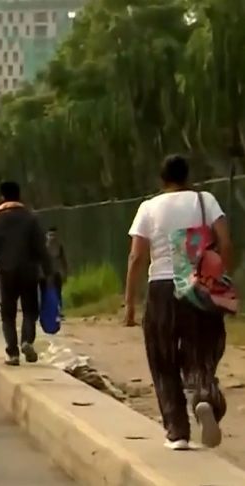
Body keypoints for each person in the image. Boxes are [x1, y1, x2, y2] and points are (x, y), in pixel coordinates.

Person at [125, 154, 231, 451]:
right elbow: (225, 241)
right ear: (188, 176)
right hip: (200, 282)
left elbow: (136, 256)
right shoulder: (205, 200)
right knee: (203, 348)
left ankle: (177, 431)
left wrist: (130, 302)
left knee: (163, 358)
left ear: (162, 180)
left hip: (160, 287)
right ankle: (205, 396)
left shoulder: (148, 207)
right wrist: (222, 276)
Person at [0, 181, 51, 366]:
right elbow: (41, 249)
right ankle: (26, 341)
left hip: (6, 273)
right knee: (30, 310)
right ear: (19, 195)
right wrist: (49, 272)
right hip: (29, 272)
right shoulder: (31, 218)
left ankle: (12, 352)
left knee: (8, 314)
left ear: (2, 197)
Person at [45, 227, 68, 315]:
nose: (52, 237)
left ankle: (59, 311)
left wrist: (65, 272)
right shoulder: (44, 247)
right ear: (47, 236)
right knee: (47, 292)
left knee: (58, 292)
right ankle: (47, 311)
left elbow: (63, 260)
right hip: (47, 274)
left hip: (57, 272)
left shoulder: (59, 247)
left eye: (54, 235)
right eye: (50, 235)